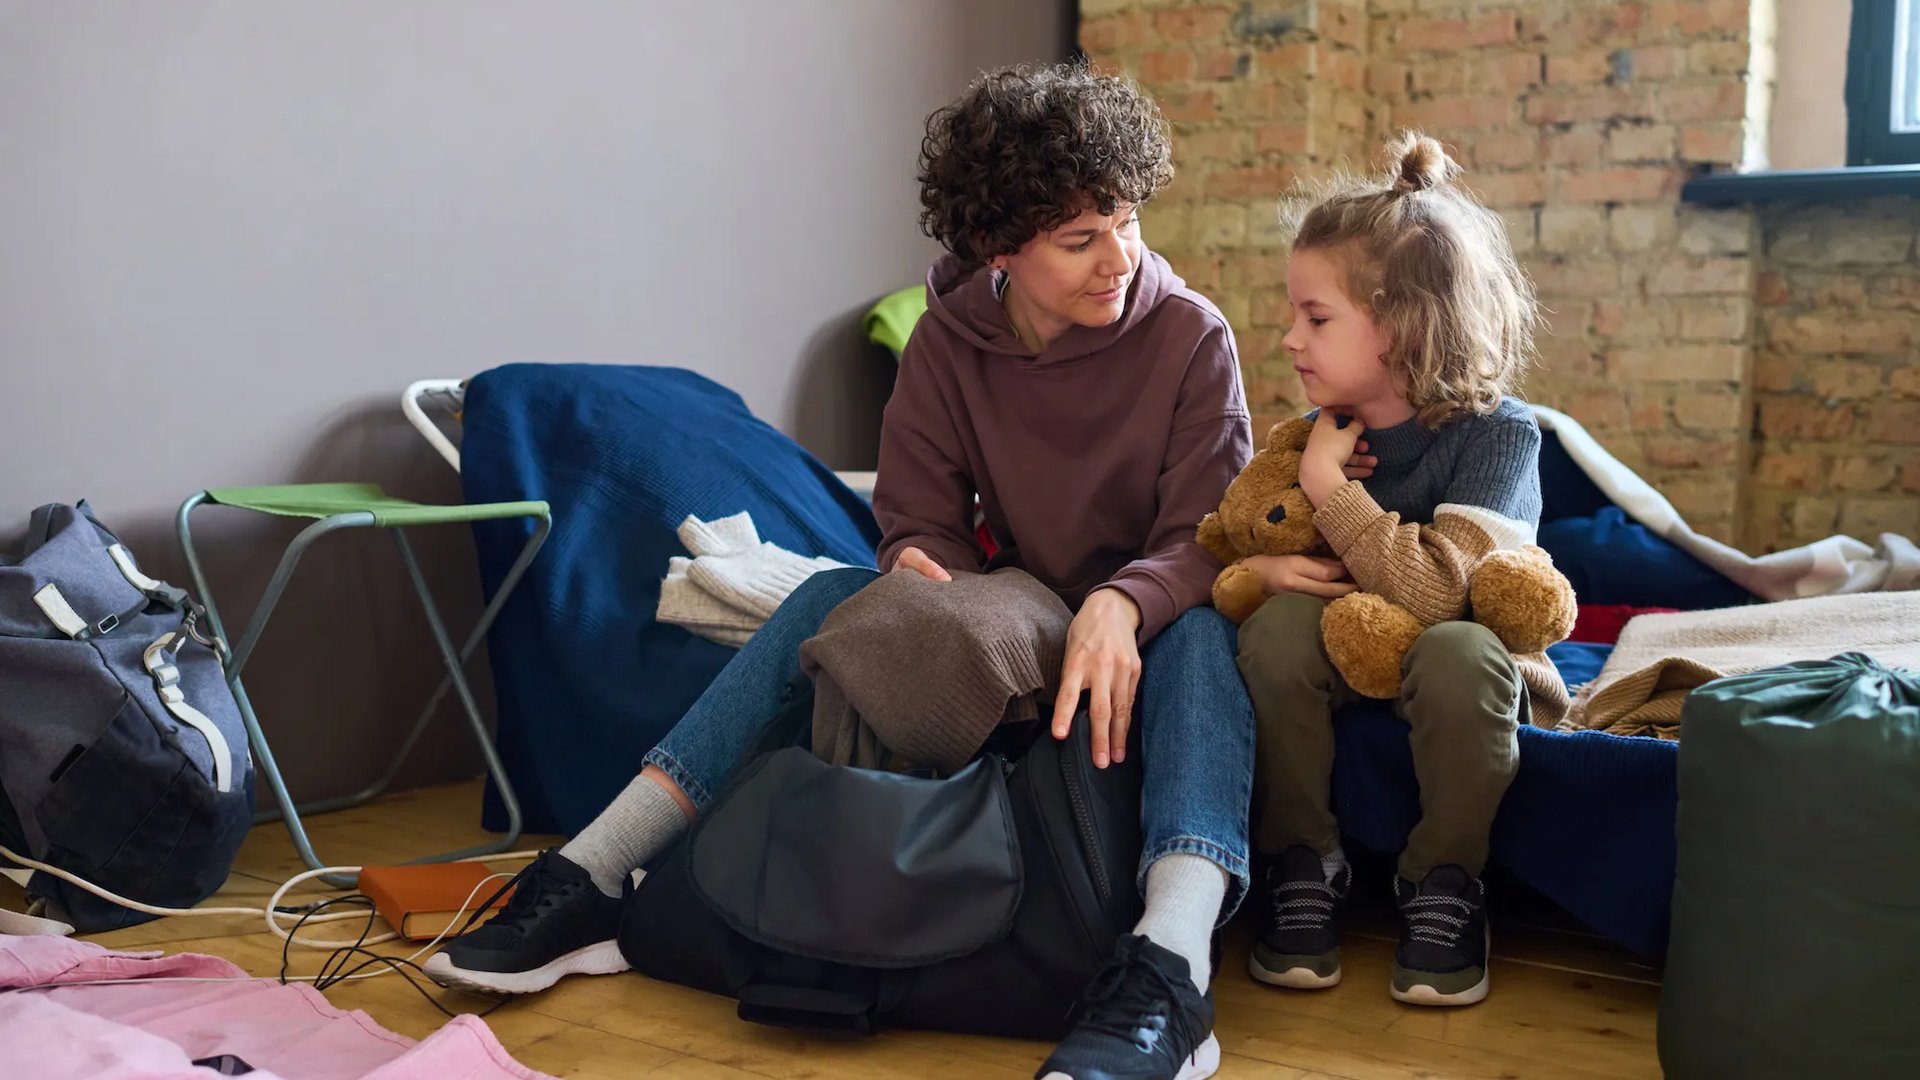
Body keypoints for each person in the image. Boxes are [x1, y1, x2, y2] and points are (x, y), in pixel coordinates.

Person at [428, 62, 1258, 1080]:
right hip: (1016, 606)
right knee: (830, 590)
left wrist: (1124, 607)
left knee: (1210, 635)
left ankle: (1171, 971)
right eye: (1080, 239)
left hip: (1151, 609)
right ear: (1001, 247)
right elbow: (917, 518)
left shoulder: (1191, 337)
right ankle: (589, 872)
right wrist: (921, 568)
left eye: (1127, 218)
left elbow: (1205, 538)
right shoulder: (948, 343)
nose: (1119, 256)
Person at [1233, 132, 1571, 1009]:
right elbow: (1230, 538)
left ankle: (1444, 884)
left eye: (1315, 317)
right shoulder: (1320, 432)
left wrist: (1329, 494)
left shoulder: (1501, 436)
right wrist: (1264, 566)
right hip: (1353, 648)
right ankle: (1301, 861)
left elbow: (1439, 594)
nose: (1288, 338)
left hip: (1464, 652)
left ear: (1406, 324)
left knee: (1457, 652)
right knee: (1273, 630)